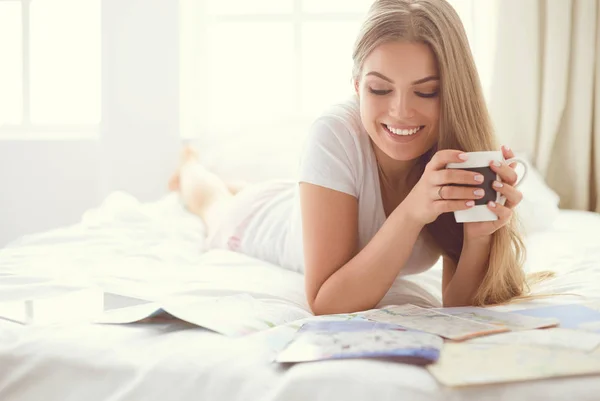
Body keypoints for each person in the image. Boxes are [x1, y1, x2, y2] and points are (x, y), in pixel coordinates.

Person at [169, 0, 540, 315]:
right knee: (213, 202)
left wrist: (478, 239)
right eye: (380, 89)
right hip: (260, 219)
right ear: (357, 85)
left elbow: (459, 309)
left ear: (453, 94)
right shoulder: (333, 133)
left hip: (312, 198)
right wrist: (412, 212)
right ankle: (190, 165)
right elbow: (326, 304)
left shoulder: (459, 153)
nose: (400, 112)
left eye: (426, 93)